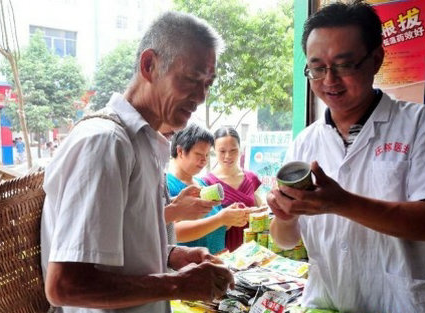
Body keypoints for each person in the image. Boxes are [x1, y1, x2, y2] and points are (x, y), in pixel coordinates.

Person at [268, 2, 425, 313]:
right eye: (317, 68)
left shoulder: (420, 124)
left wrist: (340, 202)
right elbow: (287, 241)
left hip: (407, 304)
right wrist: (284, 216)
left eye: (344, 65)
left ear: (375, 59)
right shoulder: (305, 143)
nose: (329, 80)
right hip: (331, 302)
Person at [41, 11, 234, 313]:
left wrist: (170, 256)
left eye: (207, 83)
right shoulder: (105, 142)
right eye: (192, 79)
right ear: (149, 65)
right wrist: (178, 285)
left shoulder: (143, 143)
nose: (201, 97)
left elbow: (118, 251)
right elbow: (65, 284)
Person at [167, 124, 250, 254]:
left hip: (216, 262)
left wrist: (231, 217)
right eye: (199, 154)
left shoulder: (202, 184)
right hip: (189, 267)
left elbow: (217, 224)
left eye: (207, 155)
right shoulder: (167, 185)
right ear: (180, 151)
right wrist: (220, 219)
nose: (204, 160)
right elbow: (174, 232)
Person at [204, 127, 263, 251]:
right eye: (222, 151)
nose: (228, 156)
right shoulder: (207, 183)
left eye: (233, 150)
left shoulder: (251, 178)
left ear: (240, 149)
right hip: (224, 250)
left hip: (253, 248)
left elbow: (262, 209)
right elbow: (207, 225)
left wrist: (256, 213)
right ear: (214, 150)